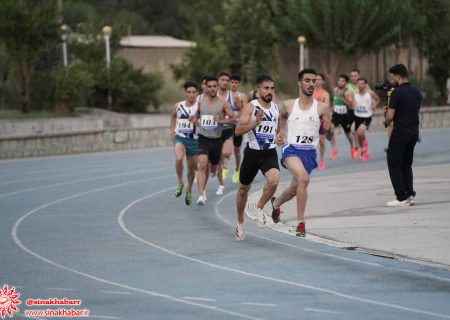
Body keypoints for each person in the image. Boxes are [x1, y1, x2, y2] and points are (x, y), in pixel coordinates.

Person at [271, 69, 333, 237]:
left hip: (309, 154)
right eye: (307, 80)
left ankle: (275, 204)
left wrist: (328, 130)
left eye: (314, 81)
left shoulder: (322, 107)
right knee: (304, 179)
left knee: (294, 189)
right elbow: (282, 117)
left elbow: (329, 134)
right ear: (299, 83)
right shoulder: (289, 104)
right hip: (291, 150)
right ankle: (301, 223)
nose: (311, 84)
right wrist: (279, 132)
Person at [234, 74, 282, 240]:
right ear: (258, 90)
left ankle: (258, 207)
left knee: (274, 180)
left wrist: (280, 136)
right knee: (243, 190)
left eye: (272, 88)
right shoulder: (251, 107)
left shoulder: (275, 108)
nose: (269, 91)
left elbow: (278, 129)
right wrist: (255, 123)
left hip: (269, 152)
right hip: (252, 154)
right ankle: (240, 222)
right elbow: (238, 131)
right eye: (266, 88)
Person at [384, 64, 422, 207]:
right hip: (413, 132)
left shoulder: (397, 92)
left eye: (393, 77)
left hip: (400, 132)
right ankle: (410, 194)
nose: (392, 80)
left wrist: (386, 116)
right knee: (407, 163)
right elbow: (411, 110)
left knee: (394, 163)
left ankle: (401, 197)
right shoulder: (416, 91)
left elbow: (390, 117)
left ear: (398, 76)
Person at [194, 76, 235, 205]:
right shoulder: (201, 102)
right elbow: (196, 115)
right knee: (202, 165)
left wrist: (221, 121)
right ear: (206, 87)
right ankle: (201, 195)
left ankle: (216, 175)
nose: (212, 89)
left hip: (216, 139)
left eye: (214, 86)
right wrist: (195, 121)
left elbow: (233, 119)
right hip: (203, 138)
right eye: (209, 86)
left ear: (217, 87)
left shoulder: (223, 103)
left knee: (213, 169)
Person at [170, 81, 199, 205]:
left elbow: (204, 124)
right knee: (179, 158)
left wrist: (196, 123)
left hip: (195, 140)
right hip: (180, 137)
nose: (191, 95)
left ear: (196, 94)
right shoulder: (178, 105)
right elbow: (173, 116)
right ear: (185, 93)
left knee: (192, 169)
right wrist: (172, 129)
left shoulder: (200, 107)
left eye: (193, 92)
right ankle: (180, 182)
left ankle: (189, 190)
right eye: (189, 92)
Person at [328, 74, 355, 160]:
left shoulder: (348, 92)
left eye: (342, 81)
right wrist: (332, 108)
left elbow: (351, 105)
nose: (340, 82)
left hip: (345, 116)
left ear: (346, 83)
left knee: (348, 135)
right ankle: (334, 149)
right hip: (336, 114)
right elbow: (334, 101)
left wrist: (342, 97)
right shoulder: (335, 89)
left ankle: (352, 147)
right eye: (339, 80)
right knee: (330, 129)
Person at [216, 72, 234, 195]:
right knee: (216, 162)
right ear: (218, 81)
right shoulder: (212, 95)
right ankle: (221, 184)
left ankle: (225, 162)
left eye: (227, 80)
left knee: (226, 152)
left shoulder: (234, 97)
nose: (225, 82)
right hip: (214, 132)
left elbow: (239, 112)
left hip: (228, 129)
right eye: (222, 79)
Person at [354, 77, 379, 161]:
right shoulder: (355, 93)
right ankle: (363, 151)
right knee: (358, 135)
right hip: (357, 116)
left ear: (365, 85)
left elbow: (377, 99)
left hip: (367, 116)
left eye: (362, 84)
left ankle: (365, 145)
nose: (360, 85)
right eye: (359, 84)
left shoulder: (369, 93)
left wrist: (374, 105)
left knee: (360, 132)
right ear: (356, 85)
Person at [229, 73, 247, 184]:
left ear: (238, 84)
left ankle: (237, 168)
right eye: (232, 82)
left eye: (236, 82)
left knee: (236, 149)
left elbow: (245, 111)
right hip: (225, 125)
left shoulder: (242, 96)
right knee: (224, 148)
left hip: (237, 125)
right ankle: (223, 167)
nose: (234, 84)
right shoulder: (224, 94)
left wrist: (238, 104)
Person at [312, 73, 331, 170]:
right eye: (315, 79)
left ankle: (321, 160)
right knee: (311, 141)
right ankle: (311, 159)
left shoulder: (325, 94)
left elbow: (327, 107)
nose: (317, 81)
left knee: (322, 142)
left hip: (321, 120)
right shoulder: (310, 92)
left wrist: (327, 121)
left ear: (322, 81)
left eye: (319, 79)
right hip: (311, 120)